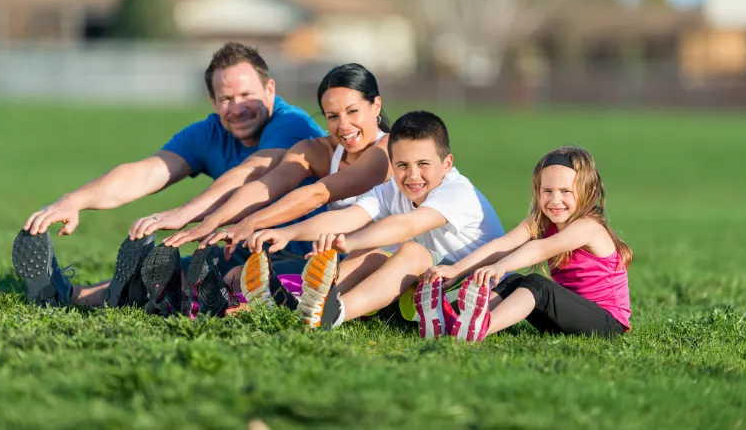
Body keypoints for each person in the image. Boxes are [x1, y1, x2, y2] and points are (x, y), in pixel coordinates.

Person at [11, 42, 325, 313]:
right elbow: (147, 171)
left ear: (270, 90)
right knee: (166, 273)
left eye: (246, 95)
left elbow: (252, 173)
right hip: (243, 245)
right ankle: (66, 294)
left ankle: (170, 294)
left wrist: (184, 214)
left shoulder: (293, 125)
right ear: (213, 102)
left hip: (306, 249)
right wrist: (74, 201)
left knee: (220, 281)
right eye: (226, 99)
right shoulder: (210, 132)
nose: (238, 107)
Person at [152, 63, 394, 317]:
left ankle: (215, 307)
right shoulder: (318, 151)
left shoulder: (389, 149)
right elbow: (265, 186)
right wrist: (211, 222)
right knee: (238, 271)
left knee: (246, 279)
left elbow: (319, 193)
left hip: (378, 263)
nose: (343, 126)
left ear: (375, 105)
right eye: (332, 116)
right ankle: (174, 298)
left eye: (352, 111)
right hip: (328, 261)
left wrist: (252, 222)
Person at [243, 111, 505, 332]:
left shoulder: (456, 190)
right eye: (402, 165)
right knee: (370, 251)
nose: (413, 175)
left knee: (411, 251)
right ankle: (307, 304)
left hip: (478, 293)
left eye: (423, 164)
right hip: (429, 292)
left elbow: (407, 225)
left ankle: (334, 314)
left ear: (447, 163)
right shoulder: (391, 188)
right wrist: (288, 233)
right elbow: (348, 217)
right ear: (392, 163)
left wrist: (347, 241)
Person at [421, 145, 632, 341]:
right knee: (513, 281)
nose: (555, 200)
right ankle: (458, 324)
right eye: (547, 191)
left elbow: (540, 248)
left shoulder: (588, 227)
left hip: (606, 324)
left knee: (537, 284)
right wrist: (456, 270)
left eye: (565, 191)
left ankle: (482, 327)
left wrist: (500, 266)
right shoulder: (541, 221)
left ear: (589, 191)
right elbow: (502, 245)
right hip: (564, 316)